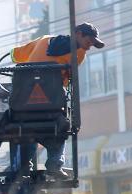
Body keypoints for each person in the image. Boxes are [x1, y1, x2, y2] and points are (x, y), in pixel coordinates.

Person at [9, 22, 105, 179]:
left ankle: (21, 167)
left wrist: (13, 56)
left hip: (22, 104)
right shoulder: (79, 54)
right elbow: (67, 80)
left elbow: (16, 55)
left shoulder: (43, 40)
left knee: (26, 129)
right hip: (50, 107)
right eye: (89, 41)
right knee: (61, 128)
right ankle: (54, 165)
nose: (89, 47)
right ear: (78, 34)